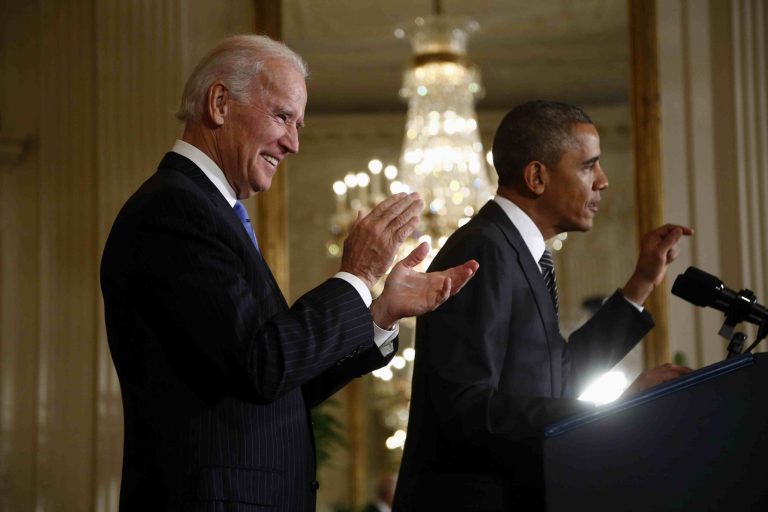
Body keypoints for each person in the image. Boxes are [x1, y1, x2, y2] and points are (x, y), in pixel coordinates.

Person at [100, 35, 478, 511]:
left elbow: (281, 382)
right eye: (282, 117)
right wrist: (358, 275)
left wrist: (379, 312)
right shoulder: (175, 210)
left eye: (298, 124)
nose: (294, 143)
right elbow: (262, 365)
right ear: (219, 103)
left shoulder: (209, 211)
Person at [393, 100, 693, 510]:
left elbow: (558, 377)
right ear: (537, 176)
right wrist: (617, 411)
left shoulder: (516, 252)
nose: (602, 181)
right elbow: (466, 408)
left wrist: (642, 282)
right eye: (589, 166)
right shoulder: (484, 249)